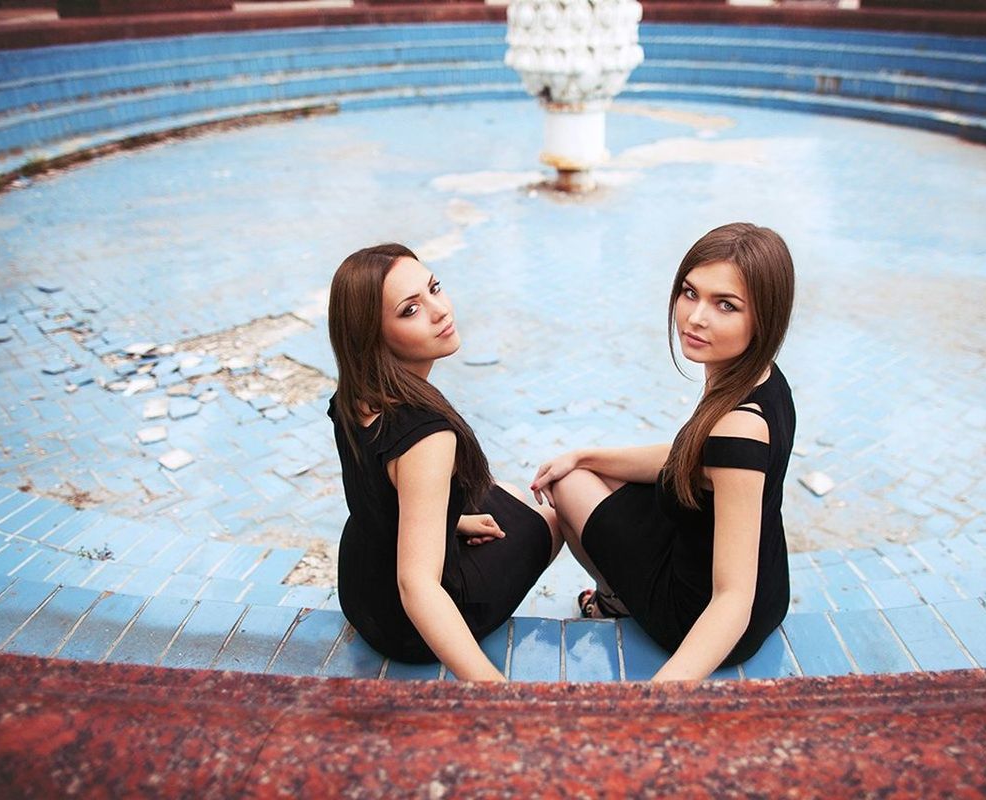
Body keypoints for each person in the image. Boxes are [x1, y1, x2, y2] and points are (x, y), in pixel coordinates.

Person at [531, 223, 796, 681]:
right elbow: (690, 457)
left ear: (764, 318)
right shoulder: (761, 379)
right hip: (766, 590)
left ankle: (615, 603)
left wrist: (659, 700)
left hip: (702, 614)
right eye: (690, 293)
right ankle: (618, 590)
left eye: (725, 305)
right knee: (587, 472)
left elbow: (731, 597)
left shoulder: (739, 428)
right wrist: (587, 455)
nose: (695, 318)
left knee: (568, 487)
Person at [327, 243, 562, 681]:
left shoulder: (354, 395)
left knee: (502, 495)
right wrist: (493, 688)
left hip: (359, 591)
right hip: (407, 629)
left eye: (434, 288)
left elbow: (377, 492)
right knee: (552, 516)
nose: (439, 311)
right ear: (372, 334)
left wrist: (454, 522)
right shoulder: (425, 436)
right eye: (410, 310)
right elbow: (416, 586)